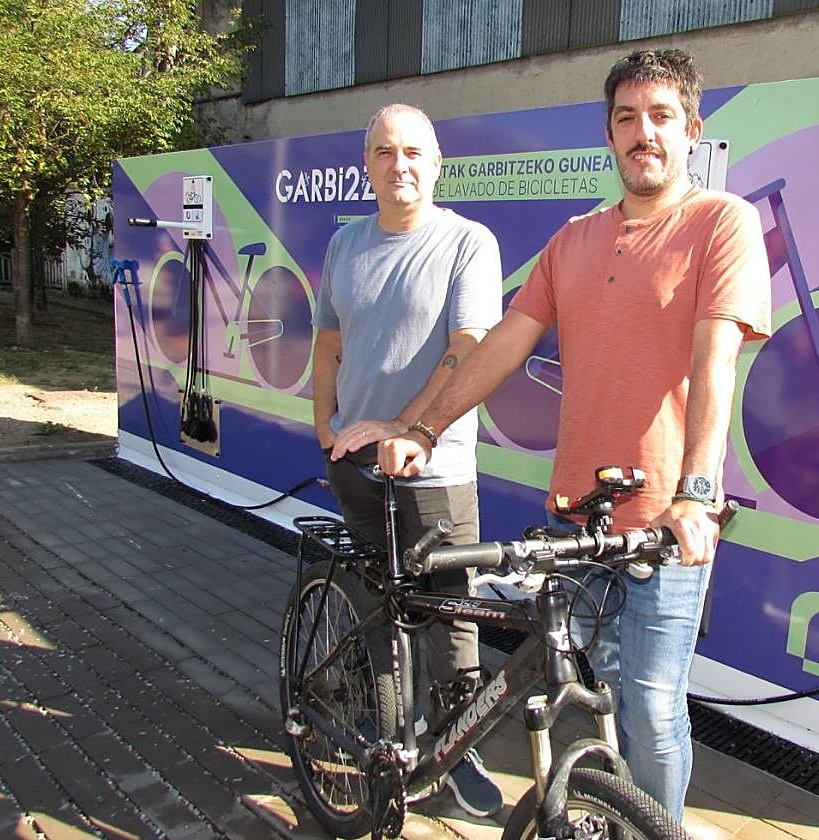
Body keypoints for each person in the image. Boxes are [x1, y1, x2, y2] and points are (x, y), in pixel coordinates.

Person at [379, 50, 771, 820]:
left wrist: (695, 493)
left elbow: (715, 357)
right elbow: (503, 345)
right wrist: (422, 425)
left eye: (661, 116)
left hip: (665, 526)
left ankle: (657, 829)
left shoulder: (721, 223)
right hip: (578, 522)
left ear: (691, 129)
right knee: (597, 695)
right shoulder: (574, 240)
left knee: (653, 709)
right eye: (626, 118)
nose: (643, 133)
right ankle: (608, 818)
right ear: (609, 135)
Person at [312, 103, 504, 818]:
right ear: (367, 164)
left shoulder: (466, 242)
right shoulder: (344, 245)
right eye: (386, 152)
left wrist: (410, 427)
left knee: (454, 616)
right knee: (376, 605)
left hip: (436, 467)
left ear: (437, 161)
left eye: (415, 152)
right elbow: (328, 343)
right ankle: (387, 729)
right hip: (356, 460)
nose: (401, 166)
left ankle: (457, 751)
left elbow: (468, 347)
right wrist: (322, 424)